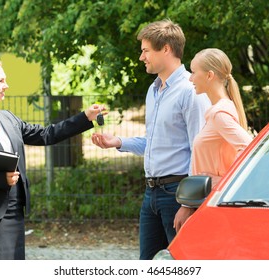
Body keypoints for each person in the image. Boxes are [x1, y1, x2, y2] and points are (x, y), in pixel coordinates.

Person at [0, 58, 105, 260]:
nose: (6, 85)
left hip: (14, 211)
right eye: (1, 81)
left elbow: (47, 134)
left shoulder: (8, 118)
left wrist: (85, 117)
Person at [91, 19, 211, 260]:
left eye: (146, 50)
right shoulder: (153, 90)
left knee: (182, 264)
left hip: (177, 194)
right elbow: (155, 142)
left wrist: (188, 204)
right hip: (151, 194)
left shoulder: (191, 92)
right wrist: (118, 142)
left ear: (166, 48)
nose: (141, 57)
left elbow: (200, 152)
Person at [173, 48, 253, 230]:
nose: (190, 78)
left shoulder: (219, 114)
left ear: (209, 75)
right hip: (209, 201)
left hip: (212, 201)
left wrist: (220, 185)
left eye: (193, 72)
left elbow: (248, 148)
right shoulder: (219, 109)